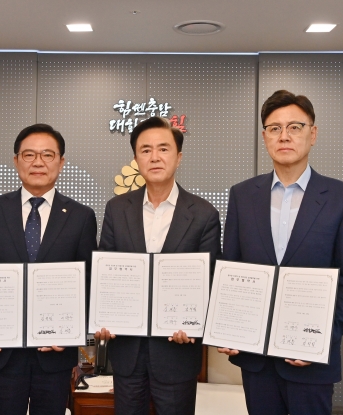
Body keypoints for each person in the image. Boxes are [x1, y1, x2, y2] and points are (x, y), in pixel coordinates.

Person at [218, 90, 343, 415]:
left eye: (294, 127)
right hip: (255, 359)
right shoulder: (242, 196)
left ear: (312, 134)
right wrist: (228, 326)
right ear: (264, 137)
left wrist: (320, 340)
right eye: (274, 128)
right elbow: (231, 268)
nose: (284, 136)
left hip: (311, 362)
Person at [0, 123, 97, 415]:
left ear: (61, 162)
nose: (38, 162)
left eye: (48, 155)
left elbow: (89, 285)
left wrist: (74, 335)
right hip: (1, 352)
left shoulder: (81, 217)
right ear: (16, 161)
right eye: (29, 155)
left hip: (55, 353)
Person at [96, 116, 221, 414]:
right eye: (145, 150)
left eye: (163, 149)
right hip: (127, 351)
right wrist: (101, 316)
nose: (154, 157)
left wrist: (194, 324)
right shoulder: (117, 209)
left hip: (177, 351)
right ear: (136, 158)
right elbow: (105, 272)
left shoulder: (204, 214)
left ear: (179, 157)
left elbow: (211, 279)